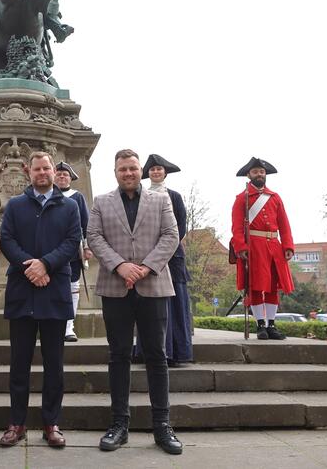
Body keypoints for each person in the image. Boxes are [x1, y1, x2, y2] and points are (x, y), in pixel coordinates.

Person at [87, 149, 183, 455]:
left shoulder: (161, 199)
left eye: (132, 168)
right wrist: (120, 266)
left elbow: (171, 234)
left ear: (139, 170)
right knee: (118, 356)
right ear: (115, 172)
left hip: (153, 285)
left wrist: (143, 267)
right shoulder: (102, 202)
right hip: (115, 287)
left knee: (156, 356)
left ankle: (162, 426)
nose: (127, 173)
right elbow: (94, 236)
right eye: (122, 169)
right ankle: (119, 425)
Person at [0, 152, 81, 449]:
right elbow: (6, 240)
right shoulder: (16, 205)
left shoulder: (69, 206)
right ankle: (16, 423)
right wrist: (29, 267)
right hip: (22, 292)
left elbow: (72, 242)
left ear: (53, 170)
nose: (42, 172)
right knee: (18, 364)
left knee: (54, 365)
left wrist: (45, 264)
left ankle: (51, 423)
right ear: (27, 171)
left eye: (47, 168)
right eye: (37, 168)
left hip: (54, 291)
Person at [135, 154, 193, 365]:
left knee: (175, 305)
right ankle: (148, 351)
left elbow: (181, 227)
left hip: (172, 256)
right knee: (148, 304)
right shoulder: (141, 195)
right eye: (152, 170)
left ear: (164, 173)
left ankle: (176, 352)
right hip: (147, 256)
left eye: (159, 169)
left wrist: (165, 247)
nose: (156, 172)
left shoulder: (174, 196)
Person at [231, 157, 296, 340]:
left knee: (272, 287)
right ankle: (260, 325)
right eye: (255, 172)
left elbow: (284, 224)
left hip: (274, 246)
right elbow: (236, 227)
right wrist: (241, 247)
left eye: (261, 172)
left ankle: (272, 325)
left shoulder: (275, 198)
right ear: (249, 175)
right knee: (256, 286)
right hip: (254, 246)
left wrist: (288, 245)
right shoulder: (241, 199)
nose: (259, 174)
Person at [54, 161, 92, 342]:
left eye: (65, 174)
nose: (62, 176)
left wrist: (87, 247)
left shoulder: (77, 197)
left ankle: (69, 326)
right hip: (50, 250)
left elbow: (86, 224)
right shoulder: (47, 196)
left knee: (72, 287)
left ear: (71, 178)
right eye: (59, 174)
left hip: (72, 252)